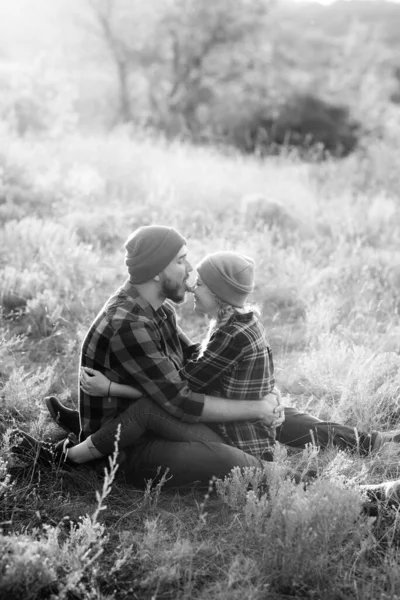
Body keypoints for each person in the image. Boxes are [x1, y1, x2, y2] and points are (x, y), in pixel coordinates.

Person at [10, 226, 284, 487]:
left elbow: (193, 358)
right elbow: (181, 401)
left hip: (159, 419)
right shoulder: (129, 324)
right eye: (181, 261)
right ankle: (65, 458)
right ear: (156, 271)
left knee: (271, 410)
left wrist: (265, 391)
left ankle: (320, 432)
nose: (190, 270)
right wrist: (258, 408)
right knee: (233, 462)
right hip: (129, 444)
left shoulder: (159, 310)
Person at [71, 250, 277, 464]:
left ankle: (72, 456)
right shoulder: (242, 324)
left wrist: (112, 389)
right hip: (240, 430)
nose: (191, 287)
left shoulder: (231, 336)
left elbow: (176, 394)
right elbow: (189, 368)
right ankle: (81, 433)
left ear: (218, 295)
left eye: (200, 284)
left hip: (235, 440)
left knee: (147, 411)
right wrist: (269, 396)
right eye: (181, 262)